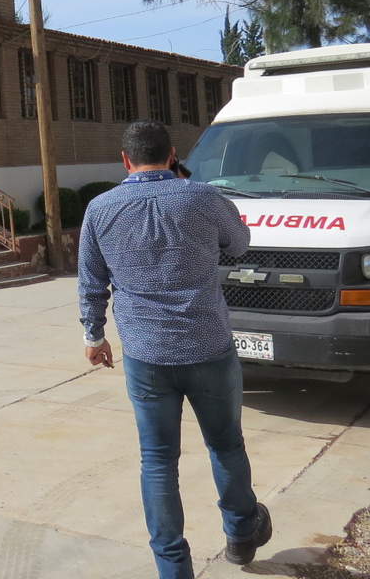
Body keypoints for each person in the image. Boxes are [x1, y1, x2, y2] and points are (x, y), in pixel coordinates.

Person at [78, 120, 270, 578]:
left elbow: (91, 281)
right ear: (172, 155)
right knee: (226, 444)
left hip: (146, 355)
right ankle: (241, 533)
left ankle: (172, 568)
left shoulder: (100, 208)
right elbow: (240, 245)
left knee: (158, 460)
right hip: (209, 347)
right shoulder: (203, 197)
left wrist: (94, 335)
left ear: (125, 160)